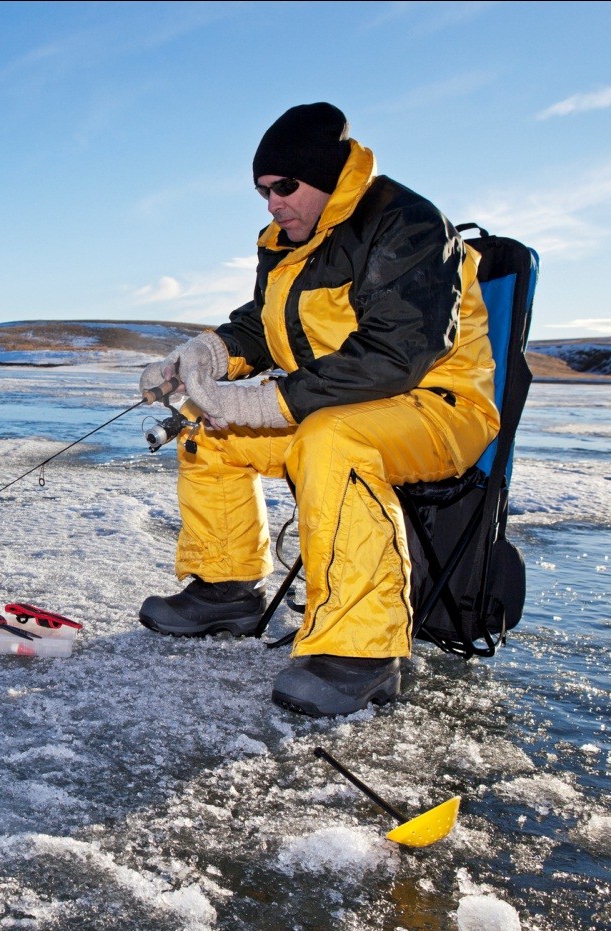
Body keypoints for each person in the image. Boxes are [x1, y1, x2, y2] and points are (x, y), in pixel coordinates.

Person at [138, 102, 499, 717]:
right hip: (339, 403)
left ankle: (362, 652)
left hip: (437, 408)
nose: (272, 202)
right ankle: (226, 587)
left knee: (332, 440)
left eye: (284, 186)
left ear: (328, 178)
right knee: (209, 431)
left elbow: (394, 355)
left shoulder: (405, 223)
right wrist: (204, 357)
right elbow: (264, 326)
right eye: (262, 191)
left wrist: (269, 400)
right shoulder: (285, 243)